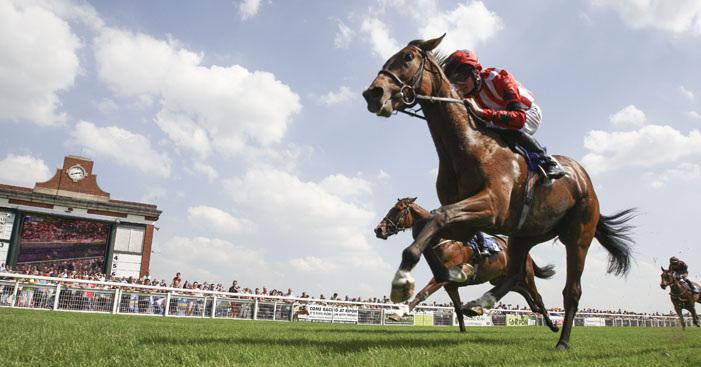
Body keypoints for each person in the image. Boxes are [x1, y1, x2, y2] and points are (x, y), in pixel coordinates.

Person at [443, 50, 566, 180]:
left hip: (526, 113)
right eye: (454, 81)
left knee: (507, 129)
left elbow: (518, 119)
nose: (459, 85)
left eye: (461, 77)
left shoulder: (499, 77)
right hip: (499, 118)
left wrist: (481, 112)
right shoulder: (466, 93)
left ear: (475, 72)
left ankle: (547, 161)